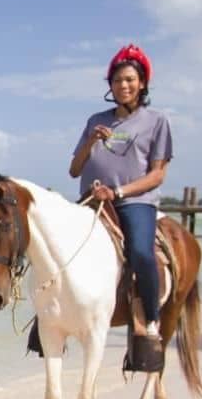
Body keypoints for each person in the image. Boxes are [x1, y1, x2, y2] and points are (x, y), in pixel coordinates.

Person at [68, 44, 173, 342]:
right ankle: (47, 323)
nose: (123, 86)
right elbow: (74, 170)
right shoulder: (95, 120)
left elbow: (157, 174)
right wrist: (90, 141)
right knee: (53, 249)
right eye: (117, 81)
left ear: (142, 84)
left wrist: (117, 191)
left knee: (140, 253)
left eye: (129, 80)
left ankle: (150, 319)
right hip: (90, 200)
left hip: (134, 202)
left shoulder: (157, 121)